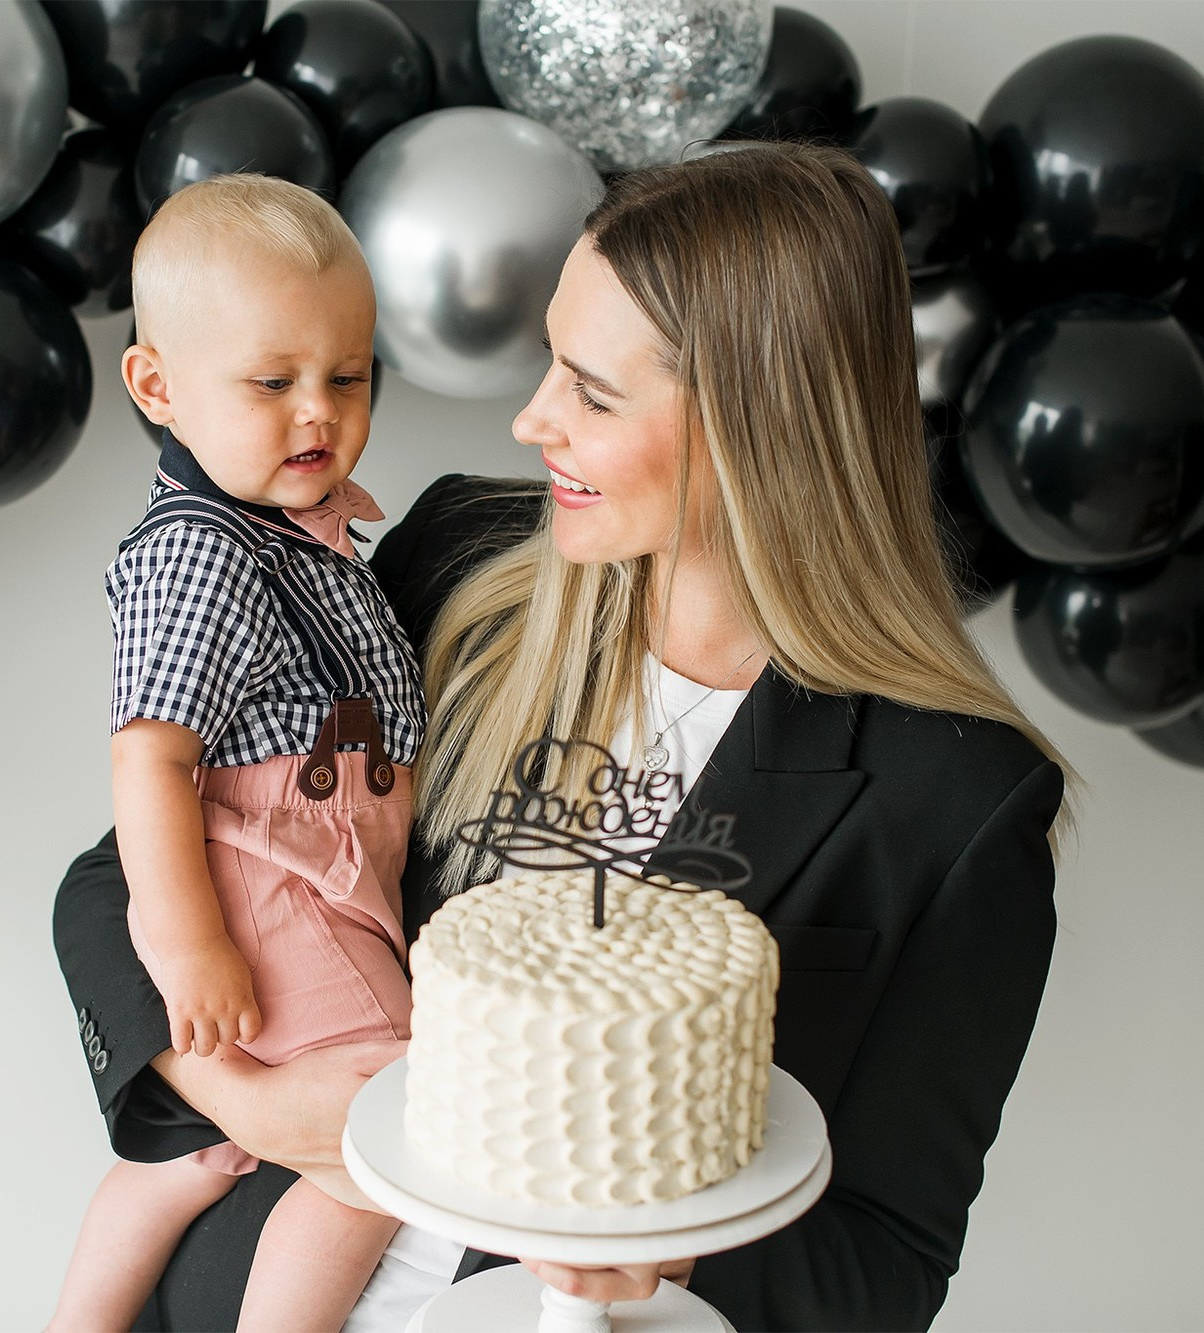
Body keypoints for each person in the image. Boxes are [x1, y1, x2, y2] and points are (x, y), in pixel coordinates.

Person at [54, 141, 1073, 1330]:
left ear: (757, 423)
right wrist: (238, 1094)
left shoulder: (958, 797)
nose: (530, 418)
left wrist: (659, 1254)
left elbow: (884, 1263)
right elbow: (128, 872)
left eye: (591, 392)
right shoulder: (449, 560)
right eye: (550, 361)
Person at [45, 175, 426, 1333]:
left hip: (317, 874)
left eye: (347, 377)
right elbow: (151, 762)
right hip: (278, 887)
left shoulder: (294, 526)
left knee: (205, 1152)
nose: (318, 413)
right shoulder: (201, 551)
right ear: (157, 387)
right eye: (272, 383)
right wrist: (188, 943)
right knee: (384, 1134)